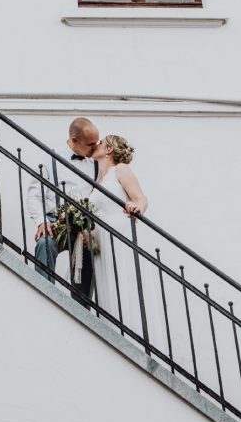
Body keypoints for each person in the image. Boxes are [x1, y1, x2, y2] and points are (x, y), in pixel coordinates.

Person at [87, 135, 159, 341]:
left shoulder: (120, 170)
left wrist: (138, 207)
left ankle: (135, 338)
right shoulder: (99, 178)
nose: (96, 144)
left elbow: (141, 198)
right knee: (109, 285)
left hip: (120, 231)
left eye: (100, 143)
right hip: (102, 238)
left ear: (109, 149)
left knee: (125, 284)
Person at [25, 117, 100, 301]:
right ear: (74, 140)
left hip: (84, 227)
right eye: (90, 144)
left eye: (96, 143)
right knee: (44, 244)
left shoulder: (96, 163)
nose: (95, 148)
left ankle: (82, 309)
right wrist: (42, 222)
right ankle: (44, 298)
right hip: (55, 221)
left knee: (89, 256)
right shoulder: (50, 158)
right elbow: (34, 195)